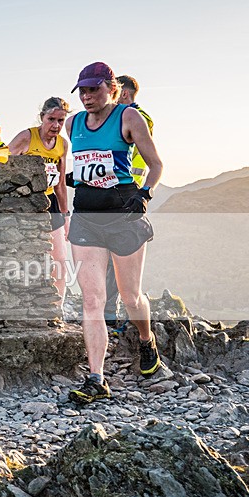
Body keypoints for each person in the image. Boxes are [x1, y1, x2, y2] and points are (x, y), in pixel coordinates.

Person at [64, 62, 163, 405]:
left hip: (124, 215)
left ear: (112, 89)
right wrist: (77, 178)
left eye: (94, 89)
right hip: (87, 217)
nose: (87, 96)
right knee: (92, 300)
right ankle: (96, 378)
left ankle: (146, 340)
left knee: (130, 296)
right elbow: (86, 163)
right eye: (83, 91)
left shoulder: (128, 118)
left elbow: (156, 165)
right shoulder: (73, 123)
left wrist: (145, 194)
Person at [103, 75, 155, 329]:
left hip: (127, 196)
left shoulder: (135, 118)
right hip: (118, 194)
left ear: (124, 92)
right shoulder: (122, 117)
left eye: (115, 89)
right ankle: (109, 314)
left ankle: (112, 316)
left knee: (118, 258)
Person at [8, 97, 71, 304]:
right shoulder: (26, 137)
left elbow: (61, 183)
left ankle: (57, 307)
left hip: (50, 202)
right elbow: (1, 166)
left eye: (60, 120)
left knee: (59, 259)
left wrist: (66, 216)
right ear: (42, 117)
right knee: (25, 259)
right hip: (26, 203)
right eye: (51, 119)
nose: (56, 125)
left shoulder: (62, 144)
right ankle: (24, 304)